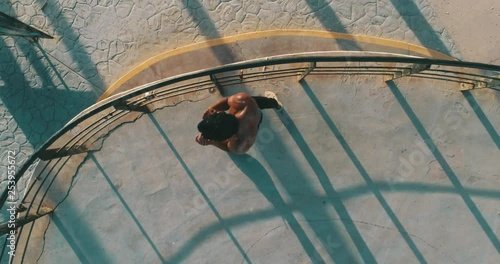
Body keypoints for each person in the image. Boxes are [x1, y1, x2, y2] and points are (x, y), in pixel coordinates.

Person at [196, 91, 282, 154]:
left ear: (230, 137)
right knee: (260, 101)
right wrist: (211, 108)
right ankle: (276, 104)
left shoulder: (242, 142)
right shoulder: (242, 100)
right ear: (220, 113)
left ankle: (275, 103)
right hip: (251, 107)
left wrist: (212, 142)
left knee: (257, 105)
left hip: (256, 119)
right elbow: (227, 101)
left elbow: (229, 148)